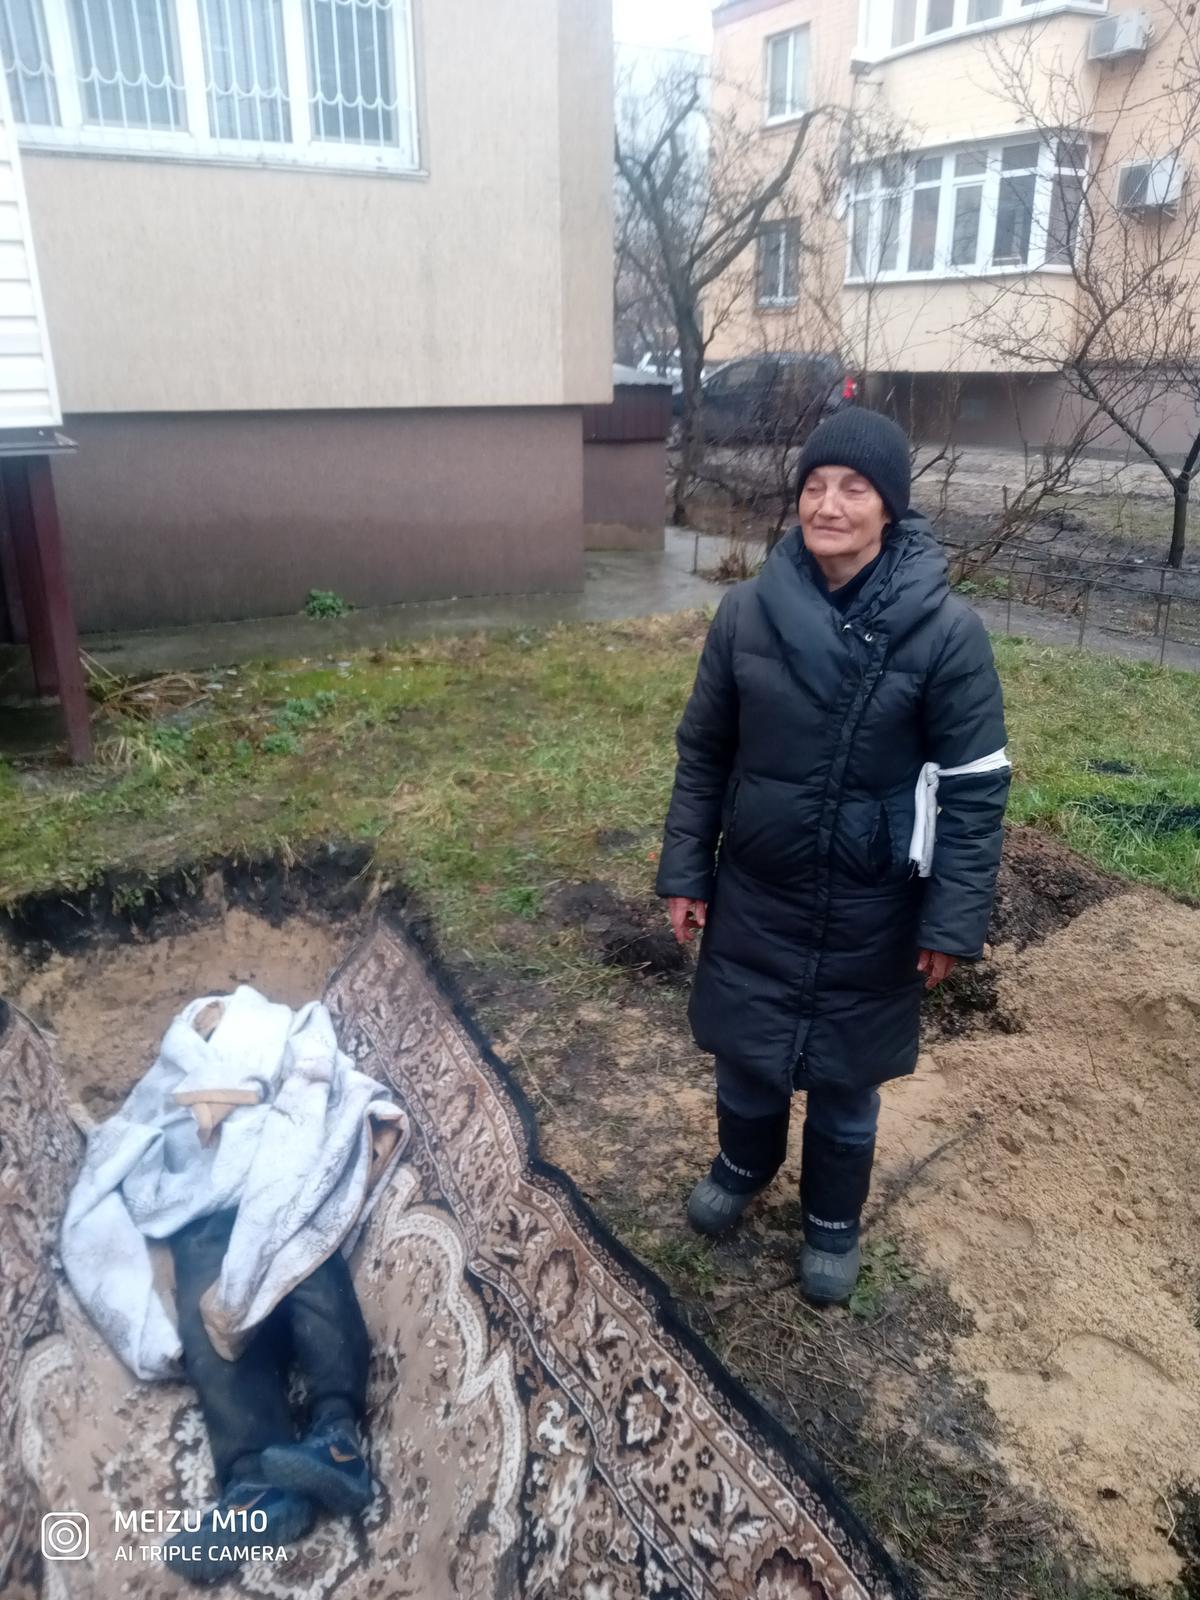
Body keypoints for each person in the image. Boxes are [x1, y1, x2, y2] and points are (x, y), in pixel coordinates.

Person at [656, 408, 1010, 1306]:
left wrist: (952, 919)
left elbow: (974, 787)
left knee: (848, 1080)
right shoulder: (744, 614)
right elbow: (704, 753)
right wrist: (688, 870)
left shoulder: (947, 633)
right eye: (815, 486)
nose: (829, 504)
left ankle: (832, 1220)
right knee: (746, 1051)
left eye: (854, 488)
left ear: (889, 508)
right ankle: (743, 1165)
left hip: (874, 899)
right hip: (760, 885)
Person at [165, 1209, 374, 1585]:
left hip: (284, 1203)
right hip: (210, 1224)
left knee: (310, 1252)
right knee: (205, 1308)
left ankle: (338, 1438)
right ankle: (258, 1489)